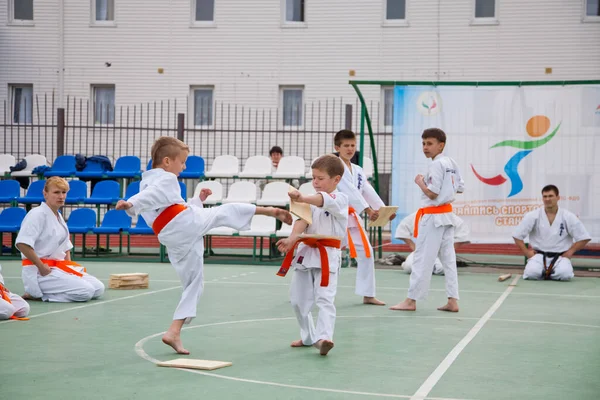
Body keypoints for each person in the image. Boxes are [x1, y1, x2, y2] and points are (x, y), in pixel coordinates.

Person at [116, 136, 292, 355]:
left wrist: (197, 201)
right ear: (168, 161)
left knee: (194, 283)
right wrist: (132, 203)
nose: (184, 166)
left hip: (170, 235)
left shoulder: (147, 180)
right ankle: (268, 210)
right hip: (183, 223)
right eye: (182, 162)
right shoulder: (167, 179)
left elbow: (164, 204)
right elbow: (152, 196)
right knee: (224, 211)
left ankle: (174, 331)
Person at [276, 154, 348, 356]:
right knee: (298, 300)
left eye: (321, 178)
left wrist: (302, 197)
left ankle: (324, 338)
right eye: (314, 178)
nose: (315, 182)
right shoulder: (309, 198)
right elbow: (302, 221)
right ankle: (308, 336)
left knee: (325, 298)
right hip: (306, 252)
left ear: (336, 180)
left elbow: (321, 200)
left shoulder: (340, 199)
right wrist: (291, 239)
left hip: (328, 254)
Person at [390, 128, 464, 312]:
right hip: (447, 215)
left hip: (433, 216)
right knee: (448, 259)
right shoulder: (451, 162)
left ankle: (411, 300)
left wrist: (420, 182)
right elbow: (460, 188)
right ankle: (453, 300)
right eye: (423, 143)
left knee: (422, 258)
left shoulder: (436, 165)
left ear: (441, 145)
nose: (425, 147)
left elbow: (432, 193)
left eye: (429, 144)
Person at [16, 177, 105, 303]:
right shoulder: (37, 214)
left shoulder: (58, 215)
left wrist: (70, 271)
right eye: (56, 192)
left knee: (98, 288)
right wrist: (41, 267)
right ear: (45, 193)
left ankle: (48, 291)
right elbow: (22, 244)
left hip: (58, 268)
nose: (61, 196)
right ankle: (38, 294)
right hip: (40, 272)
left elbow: (65, 247)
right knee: (86, 291)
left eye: (64, 193)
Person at [334, 129, 395, 306]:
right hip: (336, 218)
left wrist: (384, 210)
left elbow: (368, 191)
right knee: (331, 256)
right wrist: (368, 210)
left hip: (353, 219)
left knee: (367, 253)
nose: (350, 149)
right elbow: (349, 191)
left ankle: (368, 294)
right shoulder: (334, 166)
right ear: (337, 147)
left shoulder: (358, 170)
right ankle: (317, 290)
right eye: (346, 146)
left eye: (353, 145)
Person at [513, 185, 591, 281]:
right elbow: (517, 236)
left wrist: (570, 251)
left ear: (558, 198)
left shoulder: (567, 216)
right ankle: (545, 272)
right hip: (539, 255)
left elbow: (584, 237)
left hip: (560, 256)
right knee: (532, 273)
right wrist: (527, 253)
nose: (547, 199)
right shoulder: (533, 215)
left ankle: (548, 273)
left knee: (564, 275)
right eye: (545, 196)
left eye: (550, 196)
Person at [395, 211, 470, 275]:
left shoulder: (450, 217)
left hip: (441, 253)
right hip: (421, 251)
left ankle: (429, 268)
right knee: (409, 267)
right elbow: (402, 229)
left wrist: (447, 250)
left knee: (443, 269)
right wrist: (415, 248)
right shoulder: (418, 215)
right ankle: (410, 263)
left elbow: (462, 236)